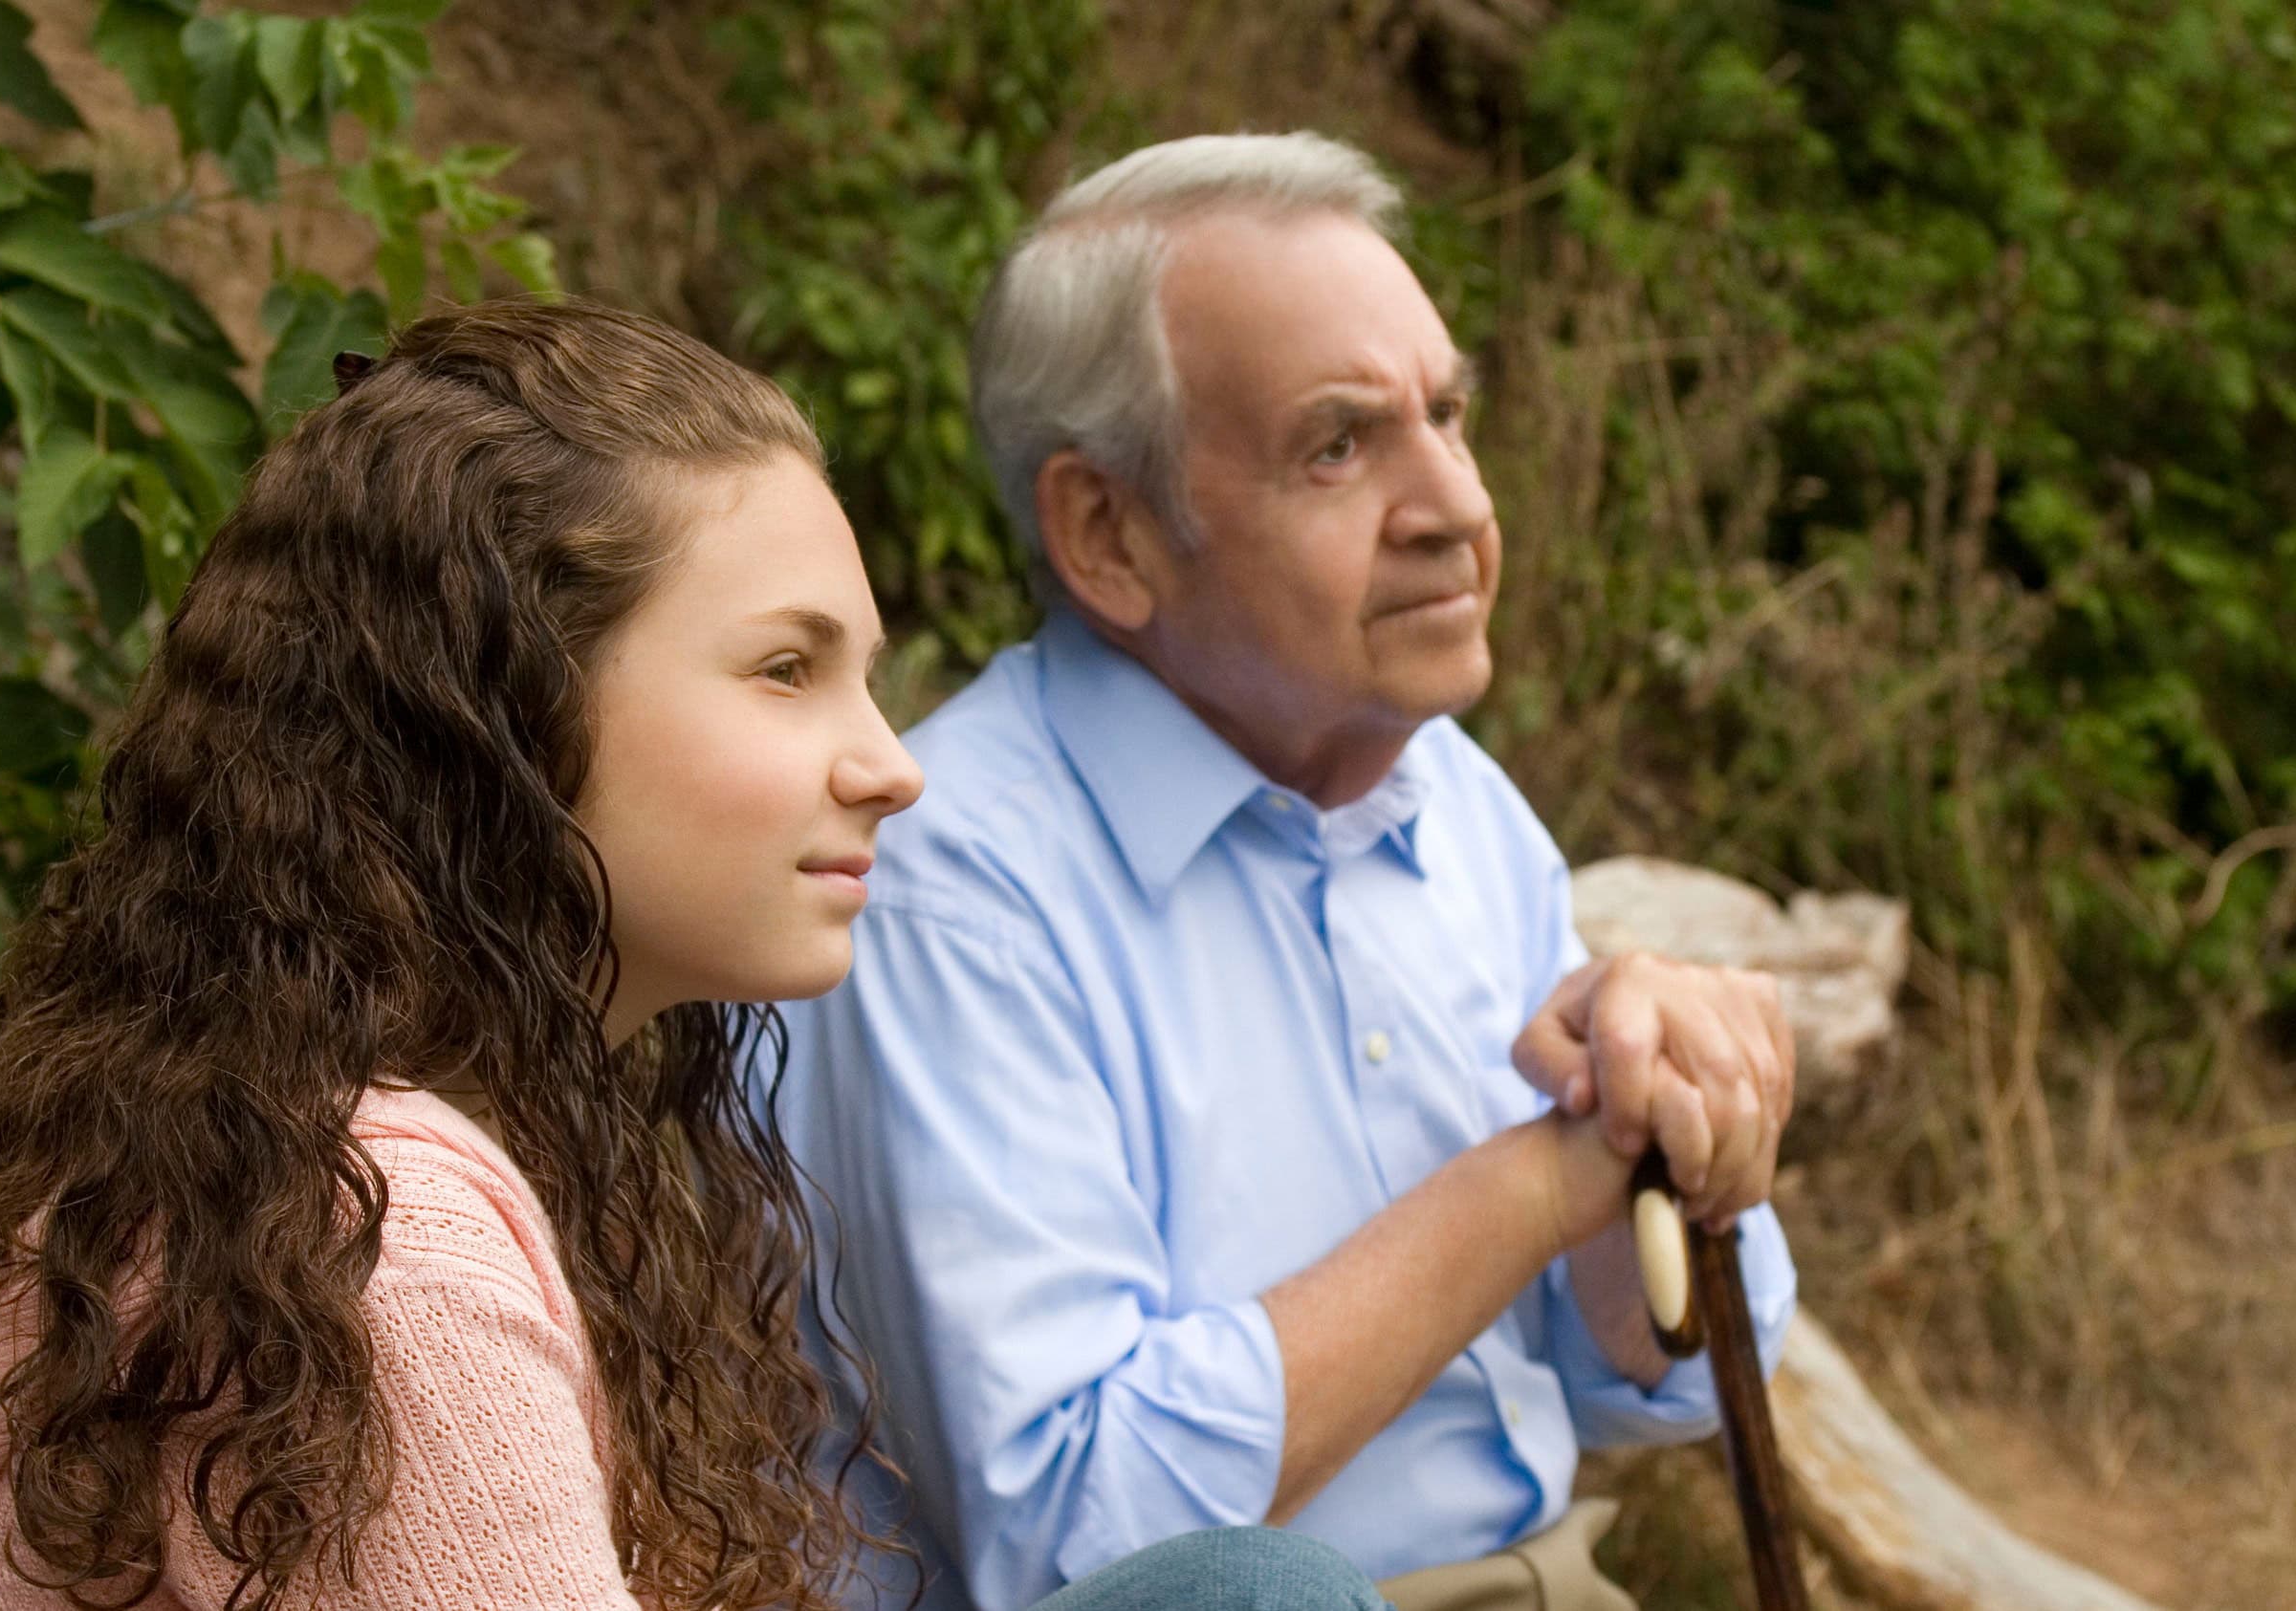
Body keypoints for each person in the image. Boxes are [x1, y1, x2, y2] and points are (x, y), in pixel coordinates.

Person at [0, 301, 1384, 1611]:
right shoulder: (377, 1242)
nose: (891, 761)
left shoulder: (287, 1140)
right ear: (504, 721)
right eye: (786, 670)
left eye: (865, 675)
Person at [771, 134, 1802, 1611]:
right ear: (1107, 532)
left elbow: (1650, 1380)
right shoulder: (948, 890)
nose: (1454, 502)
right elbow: (1086, 1537)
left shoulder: (1455, 801)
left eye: (1448, 414)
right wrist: (1524, 1191)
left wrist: (1674, 1123)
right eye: (1340, 444)